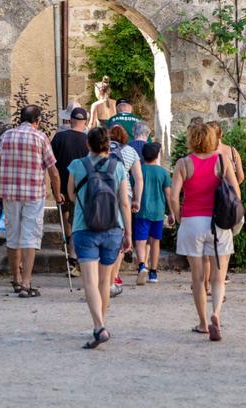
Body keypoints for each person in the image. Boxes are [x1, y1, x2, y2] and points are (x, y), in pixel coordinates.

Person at [169, 122, 241, 341]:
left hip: (192, 221)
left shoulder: (183, 163)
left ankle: (202, 323)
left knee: (198, 279)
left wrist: (179, 216)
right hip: (218, 222)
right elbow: (236, 193)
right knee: (219, 278)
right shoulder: (222, 160)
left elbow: (173, 196)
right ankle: (216, 314)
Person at [66, 127, 132, 349]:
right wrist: (128, 233)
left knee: (90, 282)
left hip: (84, 228)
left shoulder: (77, 165)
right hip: (114, 228)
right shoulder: (118, 167)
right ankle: (101, 323)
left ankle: (98, 326)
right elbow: (124, 202)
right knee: (106, 281)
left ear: (88, 144)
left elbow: (71, 195)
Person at [0, 105, 65, 298]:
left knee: (13, 236)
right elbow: (53, 172)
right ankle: (26, 282)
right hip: (33, 195)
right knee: (30, 237)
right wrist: (57, 194)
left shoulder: (6, 136)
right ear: (37, 120)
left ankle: (16, 278)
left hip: (9, 194)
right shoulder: (40, 138)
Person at [204, 121, 245, 290]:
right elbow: (241, 176)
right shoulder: (232, 152)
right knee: (224, 240)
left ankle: (206, 280)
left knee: (207, 244)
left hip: (209, 201)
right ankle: (220, 275)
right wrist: (231, 190)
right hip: (229, 202)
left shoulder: (204, 153)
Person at [50, 107, 90, 277]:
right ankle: (75, 259)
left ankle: (71, 256)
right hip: (83, 187)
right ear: (85, 122)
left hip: (62, 186)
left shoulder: (59, 137)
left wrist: (54, 187)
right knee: (79, 222)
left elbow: (51, 163)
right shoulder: (89, 139)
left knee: (66, 220)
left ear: (70, 120)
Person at [107, 125, 143, 297]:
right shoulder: (131, 152)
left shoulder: (102, 148)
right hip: (124, 194)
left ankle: (103, 275)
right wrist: (137, 199)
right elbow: (138, 178)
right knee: (120, 235)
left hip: (103, 194)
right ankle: (114, 277)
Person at [135, 142, 173, 284]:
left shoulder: (139, 170)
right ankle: (153, 272)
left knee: (140, 241)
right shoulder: (163, 172)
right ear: (157, 156)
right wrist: (172, 213)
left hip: (141, 210)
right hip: (158, 211)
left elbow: (133, 188)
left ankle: (141, 266)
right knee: (155, 242)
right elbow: (168, 195)